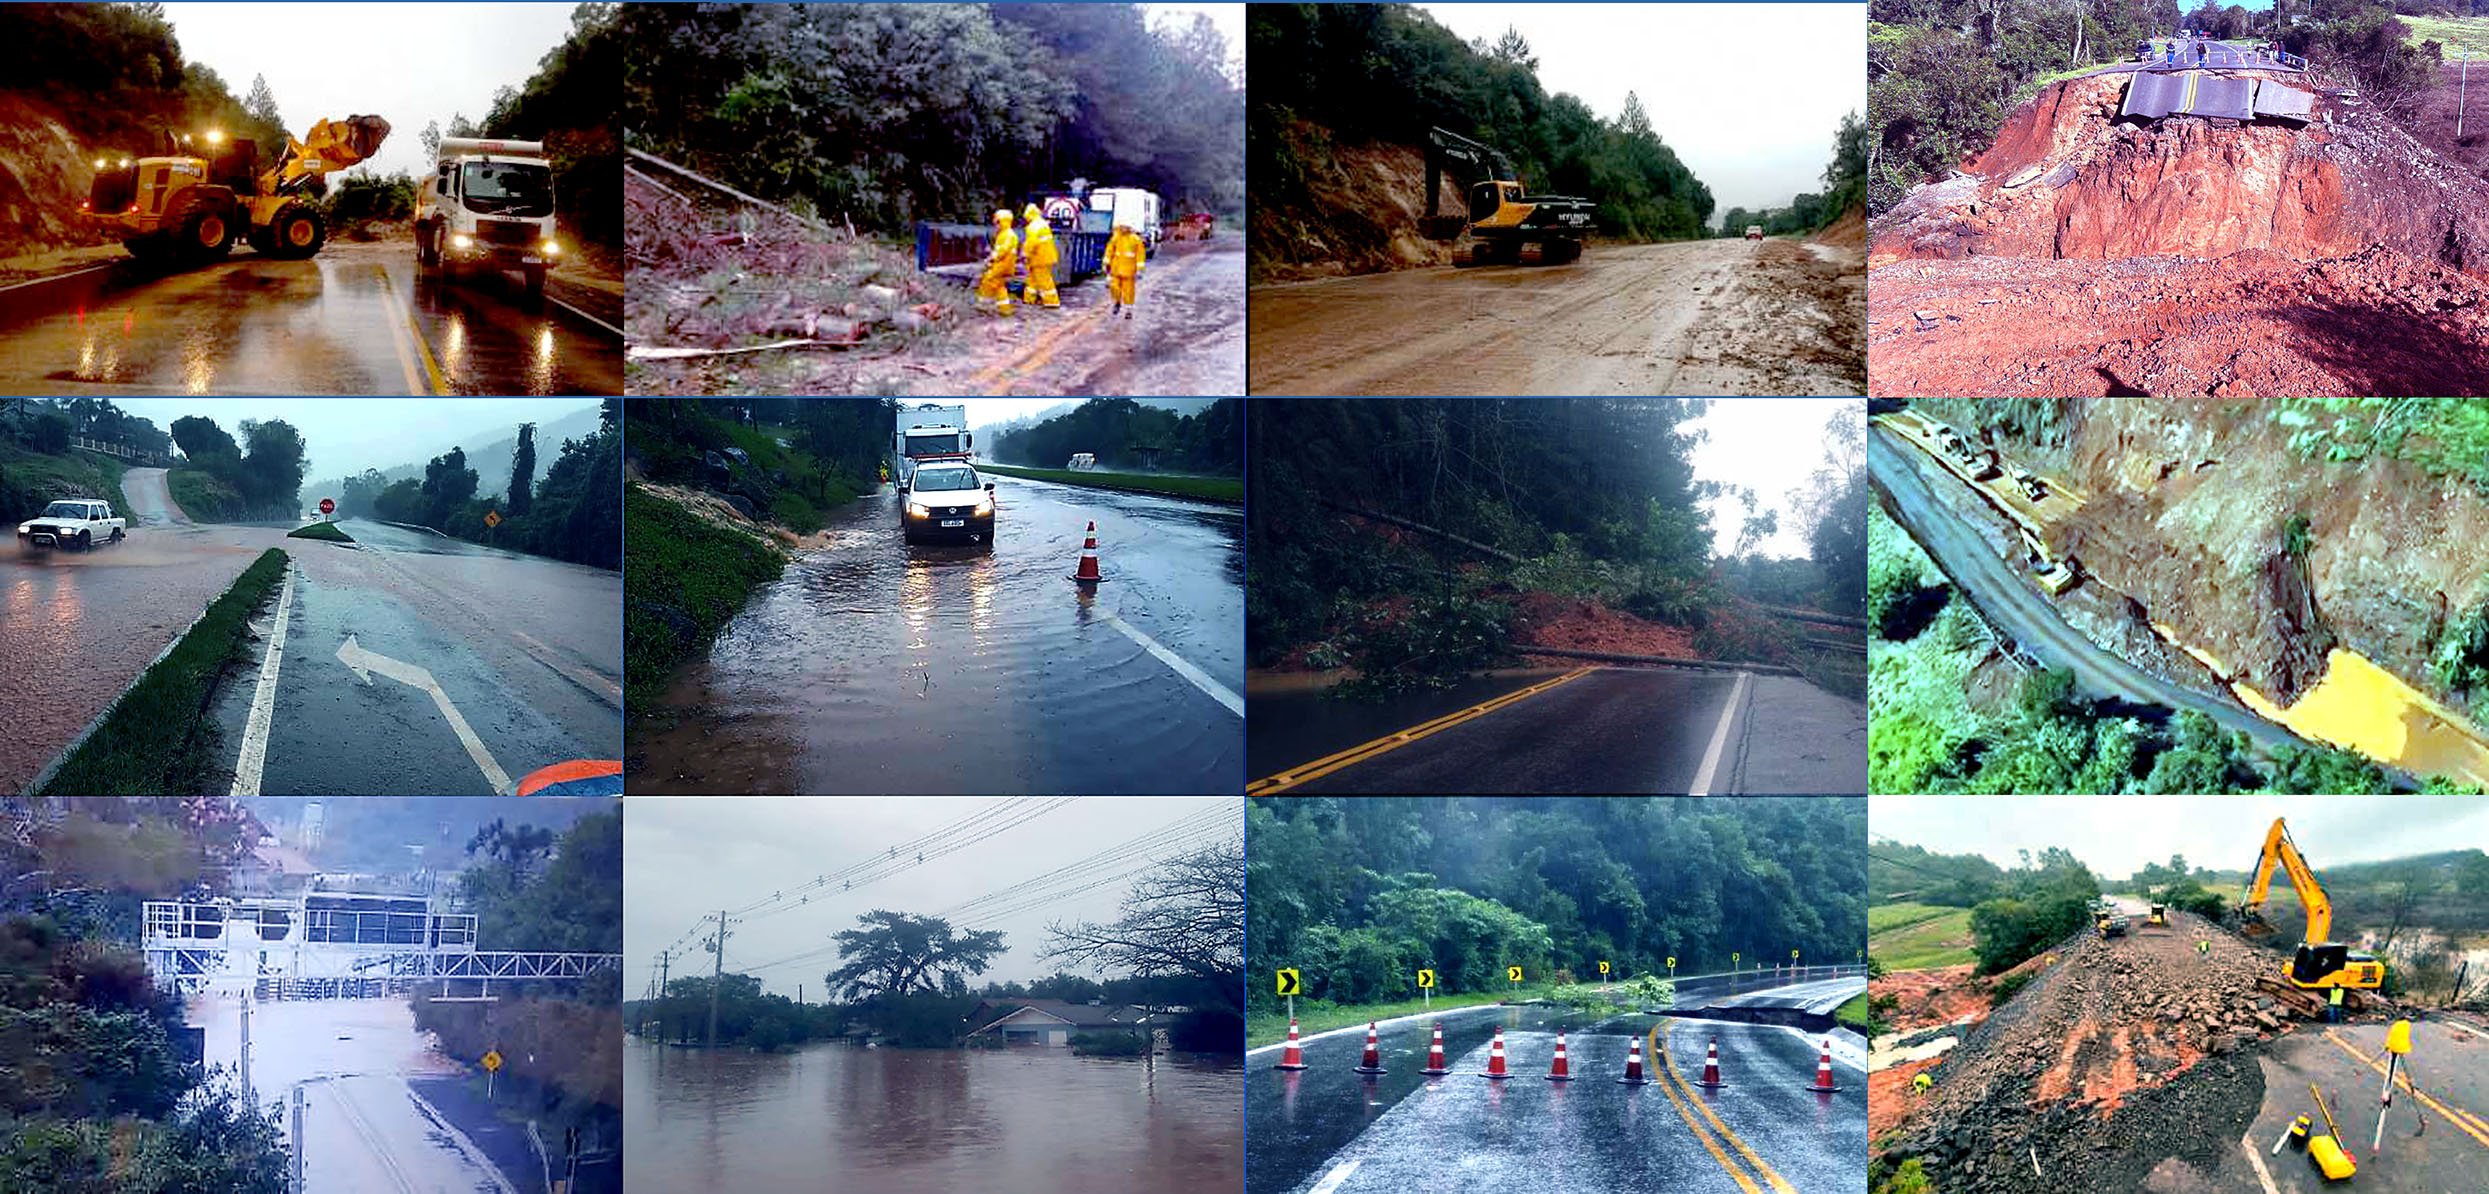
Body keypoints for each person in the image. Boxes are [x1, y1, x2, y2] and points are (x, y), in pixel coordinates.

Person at [976, 209, 1020, 316]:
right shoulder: (1004, 234)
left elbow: (1002, 251)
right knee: (999, 286)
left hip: (1003, 265)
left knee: (988, 280)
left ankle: (983, 305)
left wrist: (991, 259)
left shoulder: (1007, 234)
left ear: (1003, 221)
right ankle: (1005, 309)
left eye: (997, 222)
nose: (995, 225)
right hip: (1003, 264)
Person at [1018, 202, 1061, 310]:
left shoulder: (1033, 227)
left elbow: (1031, 243)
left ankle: (1051, 301)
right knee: (1032, 279)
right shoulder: (1042, 223)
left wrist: (1024, 254)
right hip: (1043, 257)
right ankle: (1029, 298)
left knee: (1044, 280)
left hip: (1040, 258)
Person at [1104, 220, 1148, 320]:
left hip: (1129, 271)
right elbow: (1109, 250)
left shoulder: (1136, 240)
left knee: (1129, 292)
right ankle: (1117, 302)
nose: (1123, 228)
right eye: (1122, 226)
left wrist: (1139, 270)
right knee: (1114, 287)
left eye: (1125, 227)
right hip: (1116, 269)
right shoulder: (1116, 238)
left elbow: (1140, 255)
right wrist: (1106, 263)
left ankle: (1129, 310)